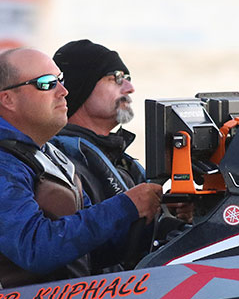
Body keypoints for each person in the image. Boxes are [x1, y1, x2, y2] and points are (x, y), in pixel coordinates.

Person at [0, 47, 163, 299]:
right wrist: (125, 206)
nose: (63, 91)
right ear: (8, 99)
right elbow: (34, 249)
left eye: (61, 80)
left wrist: (156, 217)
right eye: (47, 83)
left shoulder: (48, 154)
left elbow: (91, 250)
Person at [52, 39, 193, 221]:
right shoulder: (61, 162)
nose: (130, 88)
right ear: (80, 85)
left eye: (128, 79)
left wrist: (168, 213)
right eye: (116, 78)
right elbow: (77, 233)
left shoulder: (118, 159)